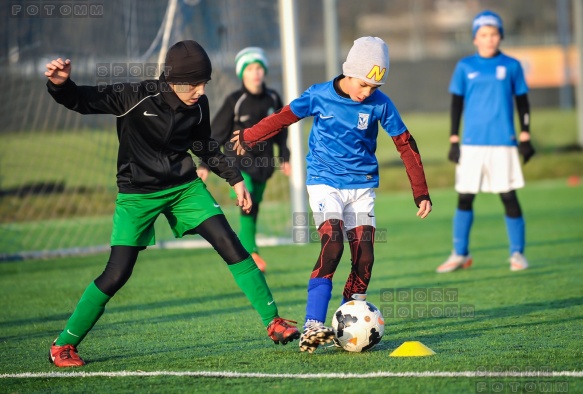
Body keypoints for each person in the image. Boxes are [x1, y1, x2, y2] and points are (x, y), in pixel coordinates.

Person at [44, 40, 300, 368]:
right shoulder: (134, 96)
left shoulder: (199, 104)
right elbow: (82, 99)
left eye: (204, 83)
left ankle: (274, 322)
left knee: (231, 244)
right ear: (175, 80)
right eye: (195, 84)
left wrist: (234, 179)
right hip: (137, 194)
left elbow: (205, 145)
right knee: (117, 273)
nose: (200, 90)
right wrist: (60, 84)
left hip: (183, 188)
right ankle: (64, 345)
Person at [231, 37, 433, 353]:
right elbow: (284, 117)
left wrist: (420, 191)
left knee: (365, 254)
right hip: (325, 181)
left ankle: (347, 323)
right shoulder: (319, 95)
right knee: (333, 242)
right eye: (364, 84)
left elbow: (405, 143)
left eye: (374, 87)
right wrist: (249, 136)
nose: (367, 92)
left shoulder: (380, 103)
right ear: (349, 71)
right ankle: (313, 324)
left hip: (362, 185)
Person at [436, 10, 535, 274]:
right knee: (465, 197)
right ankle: (460, 253)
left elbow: (522, 102)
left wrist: (525, 134)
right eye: (483, 34)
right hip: (471, 144)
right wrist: (454, 139)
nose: (489, 39)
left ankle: (517, 253)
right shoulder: (465, 66)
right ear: (475, 39)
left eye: (493, 34)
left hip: (504, 142)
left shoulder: (512, 66)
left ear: (500, 36)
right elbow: (456, 104)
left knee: (508, 196)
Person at [197, 47, 290, 272]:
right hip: (238, 163)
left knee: (253, 206)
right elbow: (217, 133)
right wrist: (204, 164)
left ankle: (250, 250)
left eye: (259, 67)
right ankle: (252, 252)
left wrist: (284, 156)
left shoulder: (273, 98)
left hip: (263, 165)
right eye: (250, 68)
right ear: (242, 74)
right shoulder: (234, 101)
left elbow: (281, 130)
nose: (255, 72)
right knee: (246, 197)